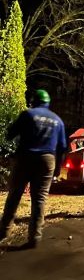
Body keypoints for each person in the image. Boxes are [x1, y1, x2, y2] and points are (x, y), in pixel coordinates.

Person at [0, 89, 67, 248]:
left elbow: (10, 134)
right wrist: (57, 167)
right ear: (48, 103)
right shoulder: (57, 120)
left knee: (15, 194)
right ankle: (35, 236)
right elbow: (62, 147)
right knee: (40, 198)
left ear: (34, 101)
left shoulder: (27, 114)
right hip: (47, 160)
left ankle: (4, 231)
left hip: (25, 157)